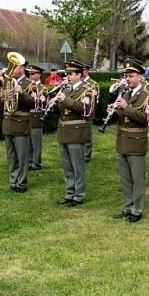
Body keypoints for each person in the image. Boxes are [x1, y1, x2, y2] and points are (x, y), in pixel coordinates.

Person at [112, 58, 149, 222]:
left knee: (137, 178)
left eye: (131, 76)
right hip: (122, 139)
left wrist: (126, 108)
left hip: (136, 140)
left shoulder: (147, 96)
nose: (128, 79)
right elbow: (124, 116)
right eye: (126, 76)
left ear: (140, 77)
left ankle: (137, 209)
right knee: (125, 178)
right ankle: (128, 207)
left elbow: (147, 118)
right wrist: (115, 111)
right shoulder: (126, 93)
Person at [56, 60, 96, 207]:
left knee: (77, 166)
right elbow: (61, 109)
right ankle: (69, 192)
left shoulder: (87, 90)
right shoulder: (66, 89)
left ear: (79, 74)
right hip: (64, 131)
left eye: (71, 74)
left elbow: (85, 109)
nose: (68, 76)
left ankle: (79, 195)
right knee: (67, 166)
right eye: (67, 74)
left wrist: (65, 100)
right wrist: (54, 101)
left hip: (76, 132)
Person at [0, 59, 35, 192]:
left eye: (14, 66)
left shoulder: (30, 83)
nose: (11, 69)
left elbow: (34, 103)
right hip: (8, 122)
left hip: (21, 123)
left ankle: (22, 183)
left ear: (21, 68)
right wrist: (2, 97)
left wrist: (22, 93)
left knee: (22, 156)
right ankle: (13, 181)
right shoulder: (7, 82)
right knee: (11, 156)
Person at [26, 65, 46, 171]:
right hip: (27, 116)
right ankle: (29, 161)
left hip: (36, 116)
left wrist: (37, 98)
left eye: (33, 74)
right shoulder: (27, 86)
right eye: (30, 74)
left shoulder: (43, 88)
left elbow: (43, 104)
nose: (31, 75)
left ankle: (36, 162)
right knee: (28, 141)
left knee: (36, 142)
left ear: (39, 74)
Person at [81, 63, 99, 163]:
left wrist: (91, 113)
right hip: (79, 112)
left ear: (86, 71)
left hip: (88, 112)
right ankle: (80, 153)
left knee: (87, 135)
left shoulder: (93, 84)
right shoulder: (80, 83)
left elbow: (96, 101)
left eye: (82, 70)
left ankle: (87, 155)